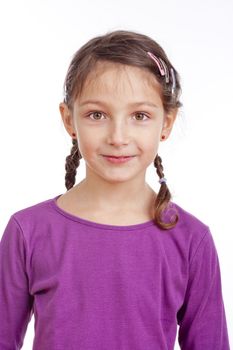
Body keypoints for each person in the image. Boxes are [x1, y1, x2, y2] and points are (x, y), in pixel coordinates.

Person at [0, 30, 230, 350]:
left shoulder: (191, 239)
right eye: (97, 115)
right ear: (69, 120)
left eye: (140, 116)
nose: (118, 136)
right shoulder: (27, 231)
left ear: (166, 123)